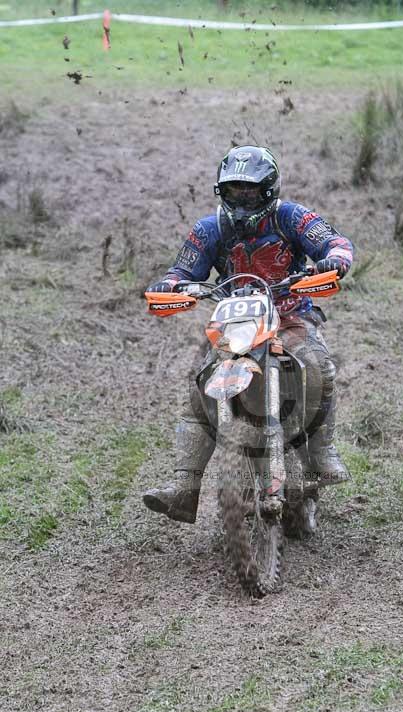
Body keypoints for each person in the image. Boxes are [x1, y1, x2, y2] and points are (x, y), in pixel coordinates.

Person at [143, 145, 354, 524]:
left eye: (250, 193)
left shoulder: (291, 217)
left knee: (316, 364)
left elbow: (335, 241)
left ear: (269, 191)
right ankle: (185, 488)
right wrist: (172, 285)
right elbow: (181, 271)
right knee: (200, 387)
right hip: (235, 323)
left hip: (290, 314)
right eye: (234, 192)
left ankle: (322, 457)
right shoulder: (210, 229)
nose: (241, 201)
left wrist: (335, 259)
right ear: (220, 192)